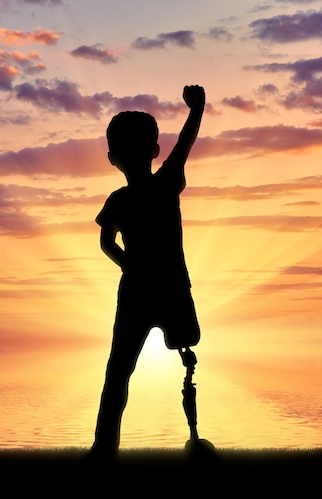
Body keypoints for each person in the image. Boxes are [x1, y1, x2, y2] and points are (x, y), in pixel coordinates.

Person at [90, 85, 205, 458]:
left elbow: (107, 244)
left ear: (112, 158)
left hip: (162, 290)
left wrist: (196, 111)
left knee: (126, 371)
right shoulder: (126, 198)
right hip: (147, 292)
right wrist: (131, 266)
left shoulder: (164, 184)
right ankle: (104, 448)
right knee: (118, 372)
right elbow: (107, 243)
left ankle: (106, 448)